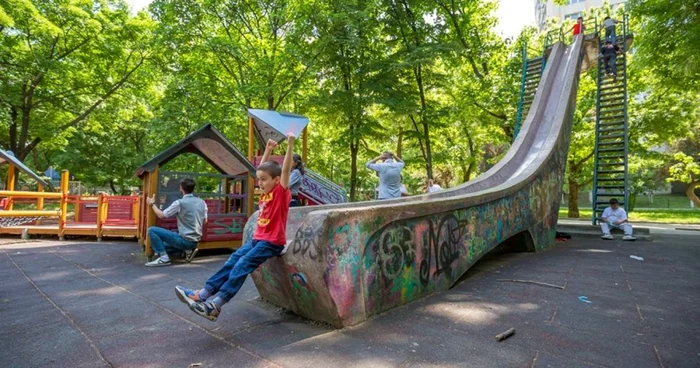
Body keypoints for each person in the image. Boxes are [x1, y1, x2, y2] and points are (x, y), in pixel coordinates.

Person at [174, 134, 296, 321]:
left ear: (277, 181)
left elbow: (285, 171)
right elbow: (261, 171)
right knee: (233, 260)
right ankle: (204, 294)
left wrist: (290, 144)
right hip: (258, 240)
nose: (260, 183)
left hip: (272, 242)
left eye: (264, 180)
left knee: (242, 264)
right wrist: (267, 151)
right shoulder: (265, 193)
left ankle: (216, 305)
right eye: (259, 180)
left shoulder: (280, 193)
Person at [145, 178, 208, 267]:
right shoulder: (202, 202)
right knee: (162, 246)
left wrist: (152, 204)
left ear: (181, 188)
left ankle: (164, 259)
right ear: (192, 188)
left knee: (152, 230)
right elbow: (205, 221)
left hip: (184, 240)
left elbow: (161, 215)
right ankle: (186, 250)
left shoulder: (179, 203)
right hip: (195, 241)